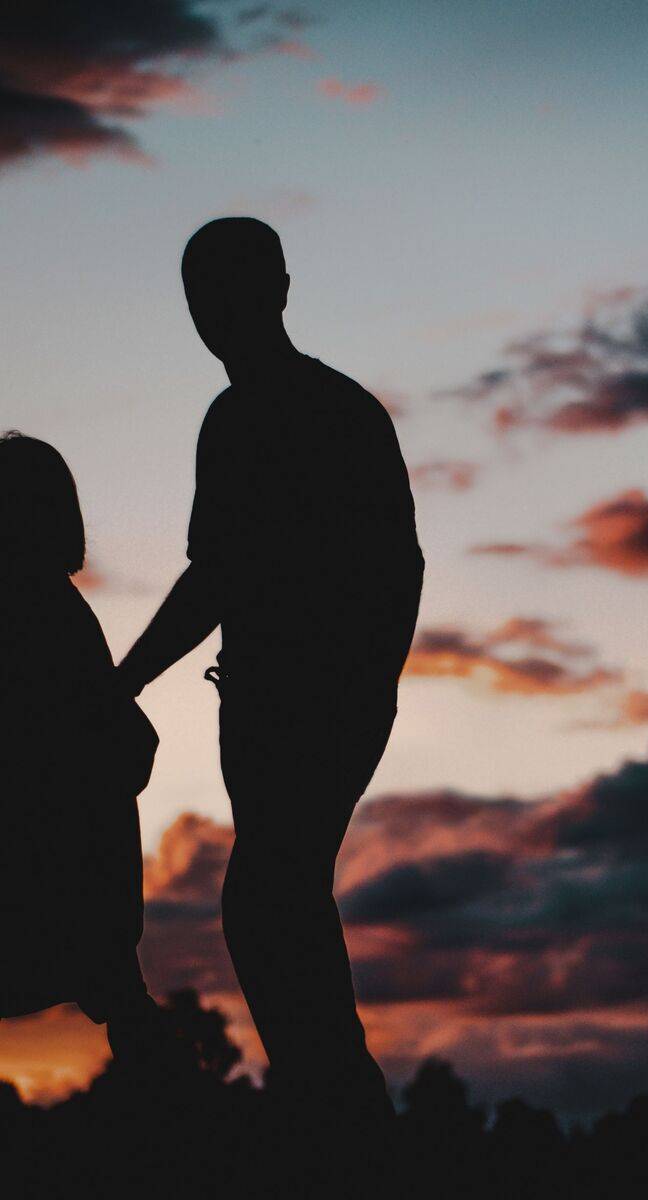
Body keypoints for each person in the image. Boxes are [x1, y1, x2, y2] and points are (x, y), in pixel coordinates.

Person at [117, 218, 424, 1123]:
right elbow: (224, 575)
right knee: (277, 906)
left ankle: (341, 1118)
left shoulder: (308, 414)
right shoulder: (269, 415)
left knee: (267, 903)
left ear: (280, 291)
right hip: (269, 705)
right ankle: (333, 1110)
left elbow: (224, 576)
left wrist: (126, 678)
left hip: (308, 707)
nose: (212, 312)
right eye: (200, 295)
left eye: (229, 290)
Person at [0, 433, 163, 1067]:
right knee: (126, 1006)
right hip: (67, 871)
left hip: (52, 870)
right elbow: (115, 741)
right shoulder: (52, 610)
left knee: (125, 1006)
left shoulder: (45, 608)